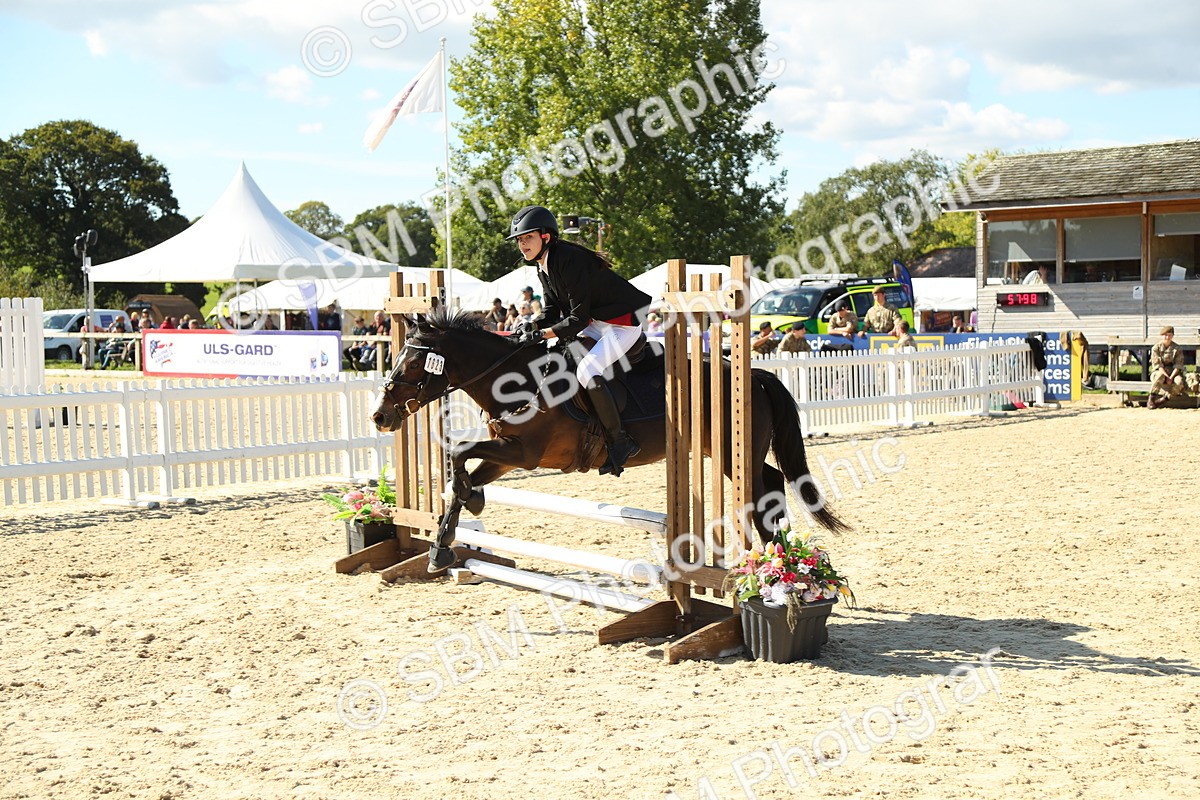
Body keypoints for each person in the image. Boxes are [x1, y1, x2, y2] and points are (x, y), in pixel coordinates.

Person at [507, 205, 651, 477]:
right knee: (565, 356)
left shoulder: (568, 259)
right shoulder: (544, 265)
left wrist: (542, 334)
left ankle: (620, 440)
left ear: (546, 237)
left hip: (621, 324)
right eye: (519, 240)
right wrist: (532, 324)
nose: (522, 244)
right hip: (598, 323)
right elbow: (552, 311)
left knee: (587, 371)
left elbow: (577, 319)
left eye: (527, 237)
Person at [1147, 325, 1187, 409]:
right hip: (1160, 372)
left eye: (1169, 335)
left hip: (1173, 373)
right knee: (1159, 376)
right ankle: (1151, 399)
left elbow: (1178, 365)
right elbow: (1158, 365)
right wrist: (1166, 376)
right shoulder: (1156, 348)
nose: (1167, 337)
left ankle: (1164, 399)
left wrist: (1171, 377)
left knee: (1179, 382)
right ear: (1162, 335)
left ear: (1172, 336)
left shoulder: (1177, 348)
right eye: (1165, 335)